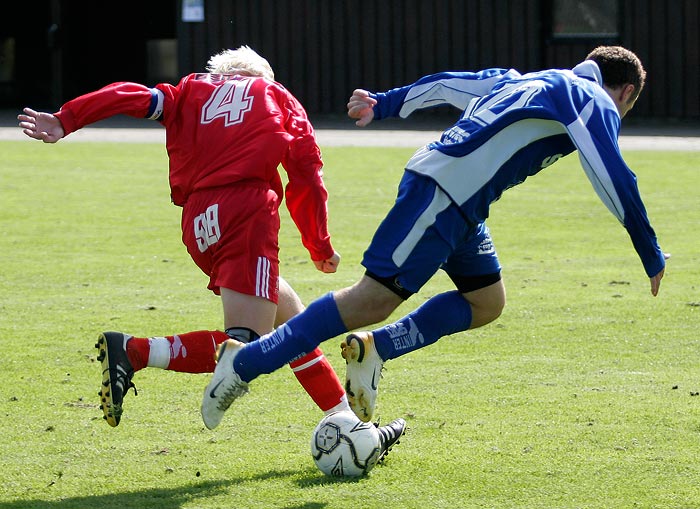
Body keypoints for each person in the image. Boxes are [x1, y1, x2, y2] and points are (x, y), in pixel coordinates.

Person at [199, 45, 667, 430]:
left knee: (486, 302)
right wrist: (649, 251)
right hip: (444, 195)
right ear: (625, 91)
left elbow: (448, 84)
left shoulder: (528, 78)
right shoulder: (594, 99)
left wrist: (385, 103)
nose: (618, 115)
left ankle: (376, 348)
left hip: (459, 201)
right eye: (625, 107)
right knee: (372, 298)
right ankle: (242, 365)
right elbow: (612, 174)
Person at [18, 46, 406, 451]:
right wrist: (318, 243)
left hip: (199, 222)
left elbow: (129, 95)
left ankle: (343, 416)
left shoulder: (187, 91)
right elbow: (306, 174)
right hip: (247, 210)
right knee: (249, 343)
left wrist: (66, 119)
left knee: (293, 326)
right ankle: (134, 351)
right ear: (262, 76)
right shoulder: (277, 96)